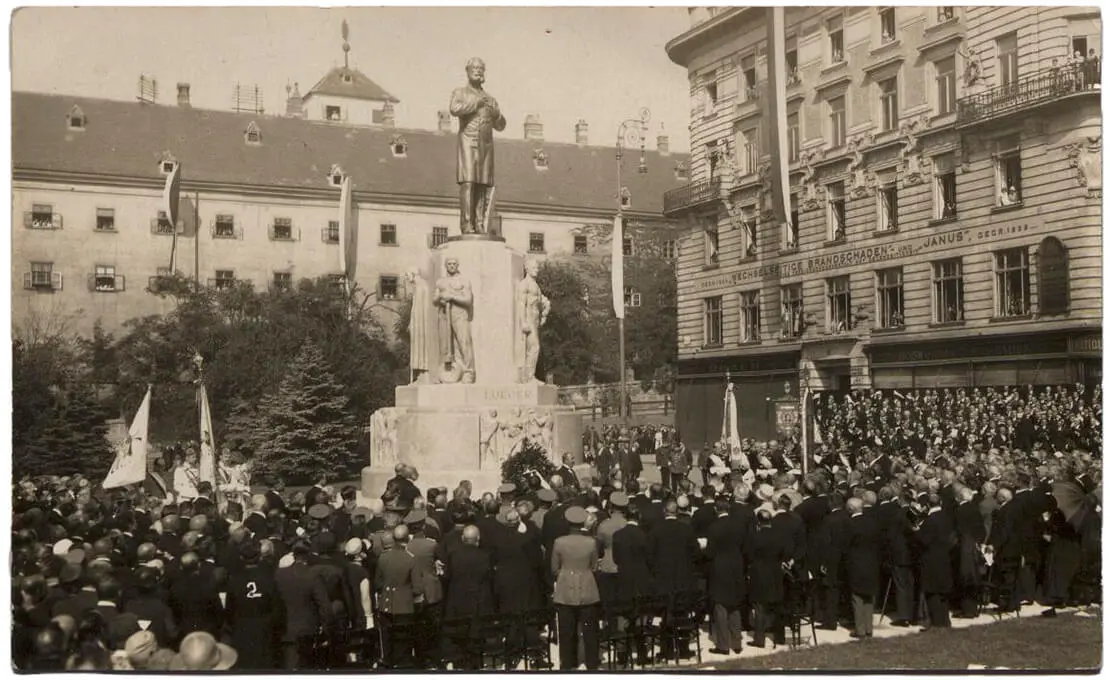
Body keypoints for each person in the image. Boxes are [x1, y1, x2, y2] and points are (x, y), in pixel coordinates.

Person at [449, 57, 507, 234]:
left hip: (486, 145)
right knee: (468, 183)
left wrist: (496, 113)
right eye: (474, 68)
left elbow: (501, 126)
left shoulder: (490, 98)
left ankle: (480, 223)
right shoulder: (460, 92)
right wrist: (476, 103)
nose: (478, 70)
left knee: (482, 184)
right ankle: (467, 223)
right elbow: (454, 109)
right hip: (468, 141)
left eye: (481, 68)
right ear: (467, 71)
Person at [550, 506, 600, 671]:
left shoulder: (559, 542)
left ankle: (568, 662)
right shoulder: (591, 542)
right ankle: (592, 662)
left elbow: (554, 568)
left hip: (565, 589)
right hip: (587, 586)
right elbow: (594, 567)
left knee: (566, 631)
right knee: (590, 630)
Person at [705, 497, 747, 655]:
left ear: (716, 509)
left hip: (720, 567)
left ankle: (723, 645)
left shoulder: (713, 527)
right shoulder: (739, 525)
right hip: (736, 565)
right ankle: (737, 642)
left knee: (721, 606)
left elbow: (710, 552)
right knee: (735, 604)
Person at [843, 497, 880, 639]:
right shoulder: (872, 522)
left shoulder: (850, 524)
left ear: (851, 508)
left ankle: (860, 629)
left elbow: (846, 545)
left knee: (857, 597)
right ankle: (869, 628)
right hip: (871, 562)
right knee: (869, 597)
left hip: (856, 563)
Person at [434, 258, 475, 383]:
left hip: (459, 314)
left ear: (457, 265)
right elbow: (434, 299)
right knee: (444, 345)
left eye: (454, 264)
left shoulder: (463, 281)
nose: (451, 266)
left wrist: (452, 296)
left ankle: (469, 372)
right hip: (444, 314)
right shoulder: (440, 282)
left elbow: (468, 300)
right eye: (449, 264)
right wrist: (441, 298)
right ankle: (445, 372)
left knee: (464, 343)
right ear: (446, 266)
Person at [516, 258, 550, 384]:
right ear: (527, 269)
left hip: (535, 319)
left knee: (534, 348)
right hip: (529, 319)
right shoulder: (525, 284)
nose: (537, 270)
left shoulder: (535, 285)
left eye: (537, 267)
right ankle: (529, 377)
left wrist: (545, 313)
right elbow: (521, 304)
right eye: (534, 267)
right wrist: (523, 322)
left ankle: (530, 376)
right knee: (534, 347)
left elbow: (541, 302)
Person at [404, 268, 433, 383]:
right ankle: (420, 371)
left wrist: (416, 323)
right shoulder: (418, 287)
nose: (407, 279)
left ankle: (423, 370)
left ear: (413, 274)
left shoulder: (422, 288)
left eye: (407, 275)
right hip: (417, 324)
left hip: (421, 325)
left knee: (422, 346)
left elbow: (422, 311)